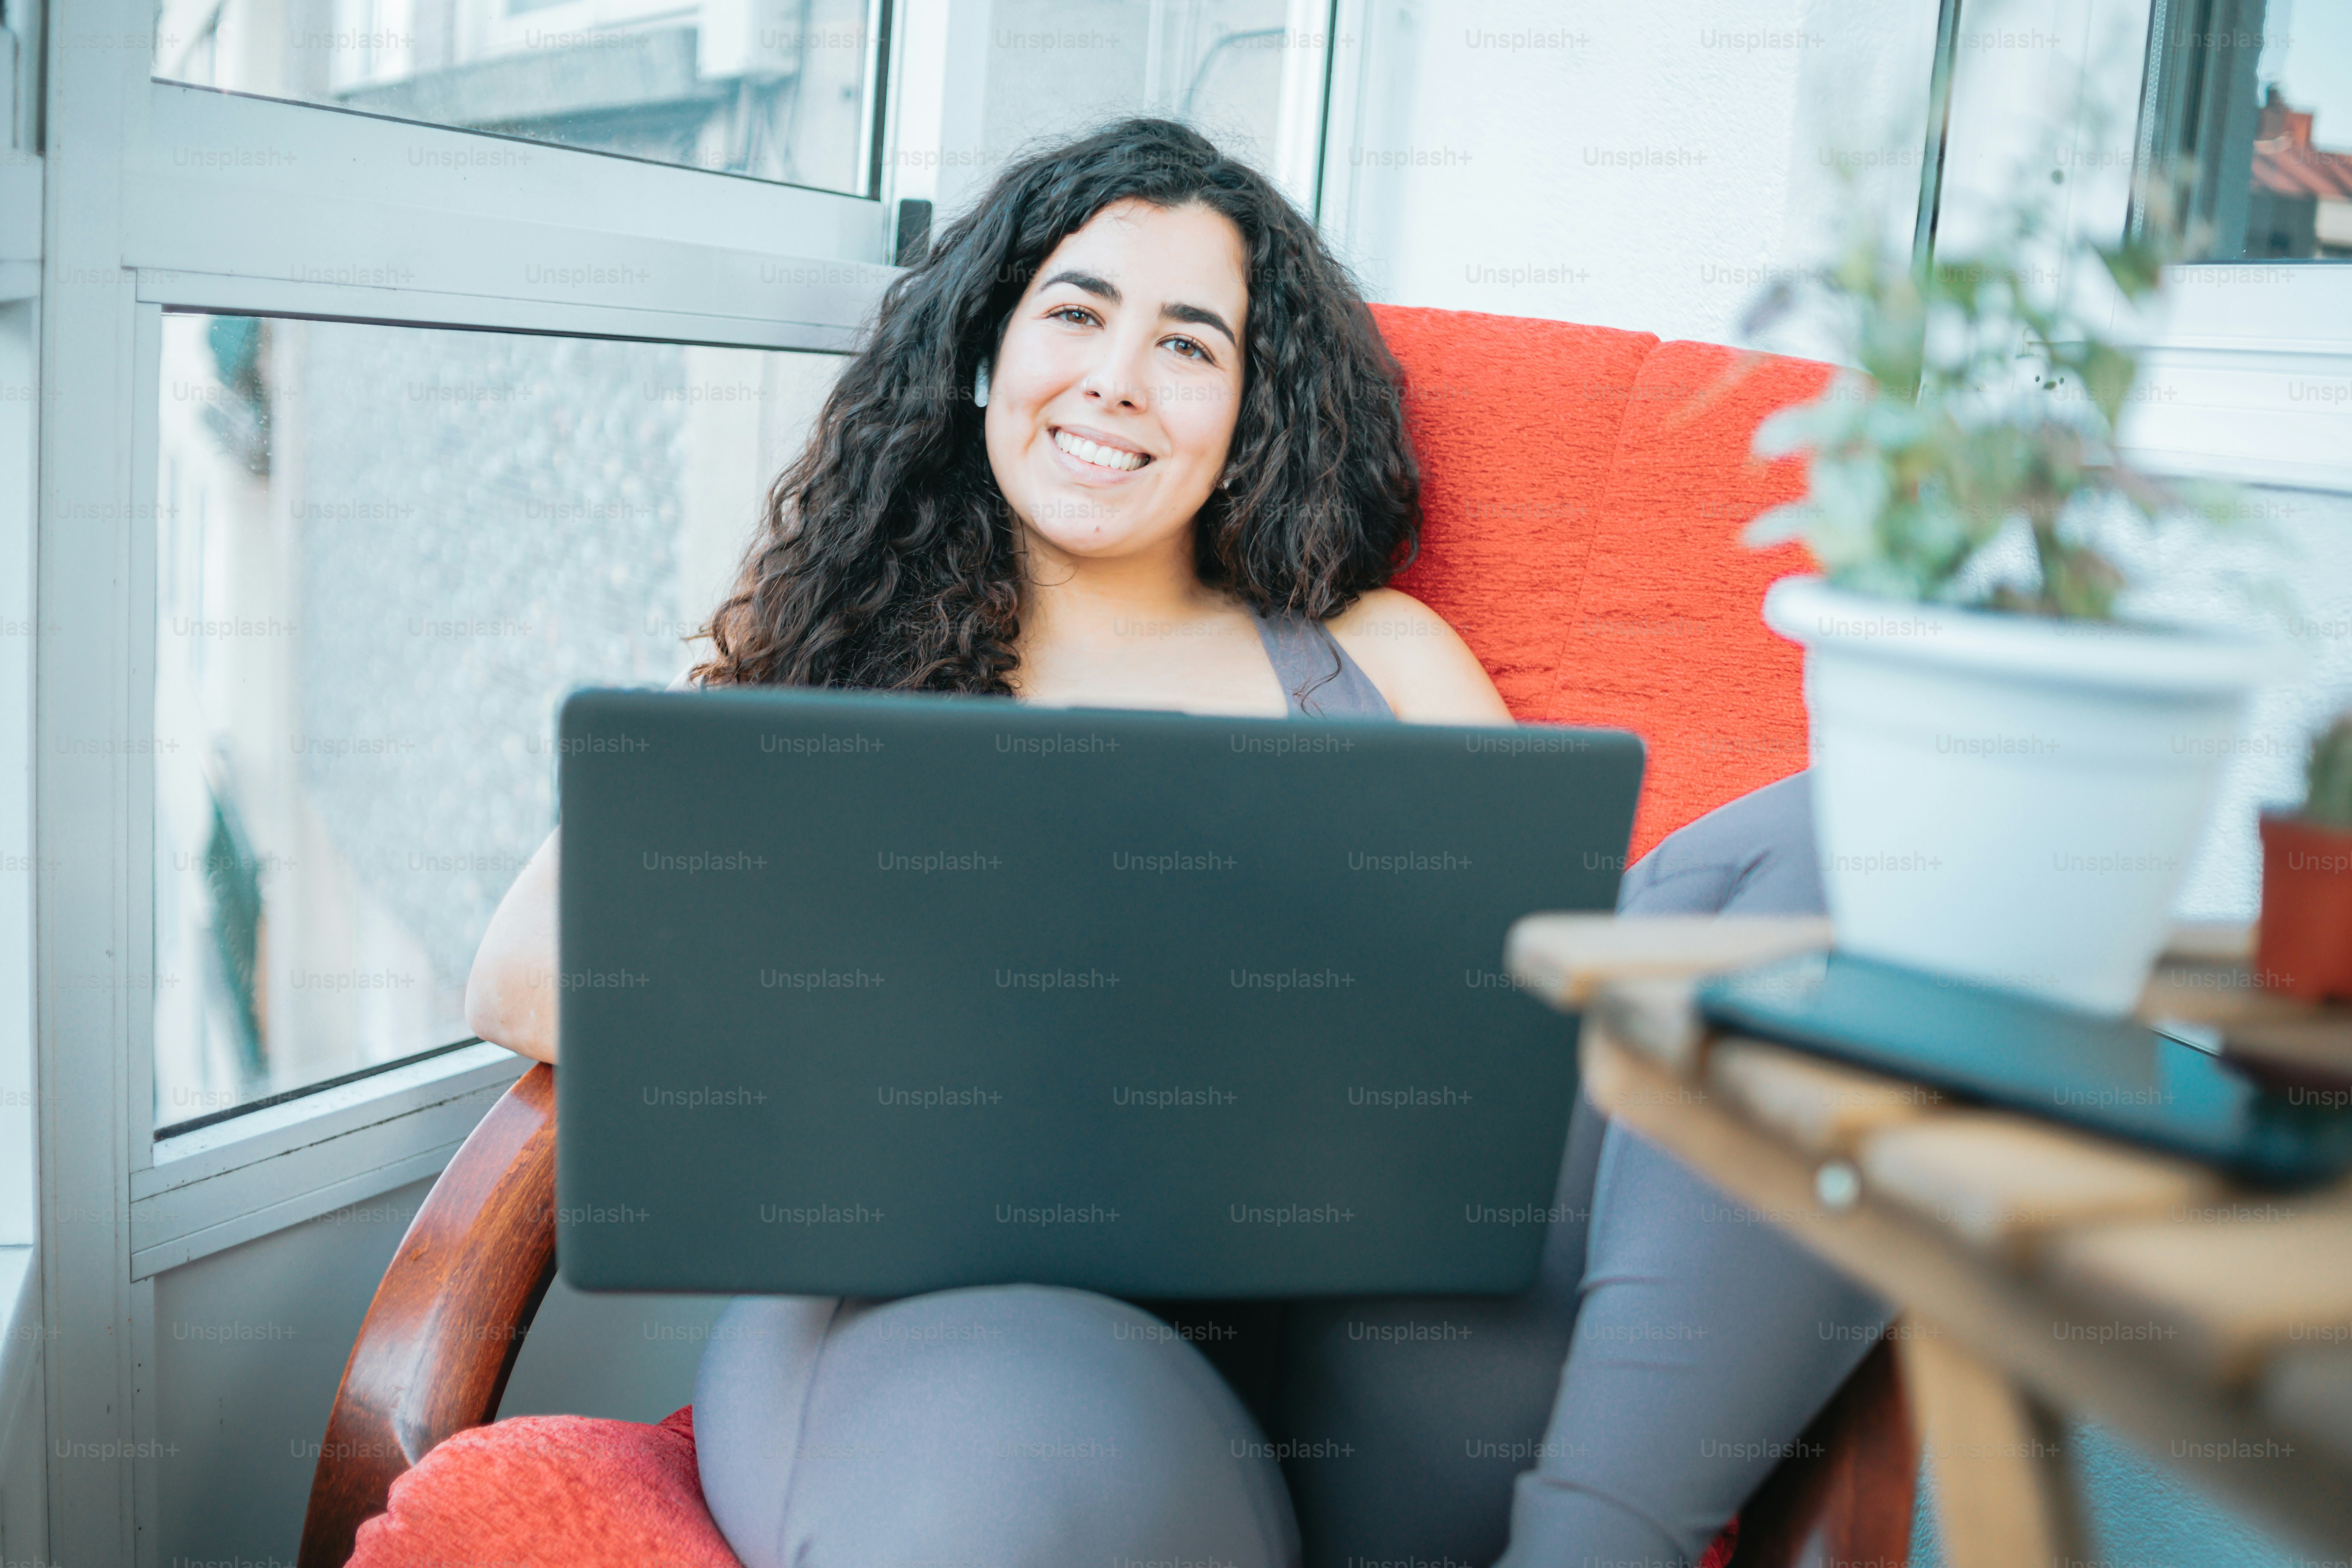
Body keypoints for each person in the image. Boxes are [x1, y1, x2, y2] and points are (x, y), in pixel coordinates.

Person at [465, 118, 1884, 1568]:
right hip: (992, 1319)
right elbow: (522, 964)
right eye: (1073, 313)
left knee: (1853, 850)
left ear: (1250, 410)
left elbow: (1557, 1024)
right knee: (1031, 1473)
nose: (1114, 380)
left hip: (1389, 1338)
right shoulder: (834, 657)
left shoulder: (1377, 655)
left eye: (1189, 345)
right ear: (981, 353)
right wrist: (932, 1057)